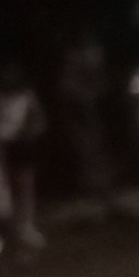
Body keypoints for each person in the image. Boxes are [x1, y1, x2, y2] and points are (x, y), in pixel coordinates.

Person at [0, 60, 47, 262]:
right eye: (4, 72)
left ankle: (26, 231)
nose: (8, 76)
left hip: (20, 146)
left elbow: (39, 120)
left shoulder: (26, 95)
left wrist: (30, 133)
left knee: (24, 188)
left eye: (12, 72)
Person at [53, 30, 114, 215]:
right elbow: (68, 84)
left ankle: (97, 187)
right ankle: (89, 187)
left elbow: (99, 80)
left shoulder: (93, 54)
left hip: (90, 104)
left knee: (94, 145)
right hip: (77, 104)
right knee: (82, 146)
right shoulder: (74, 57)